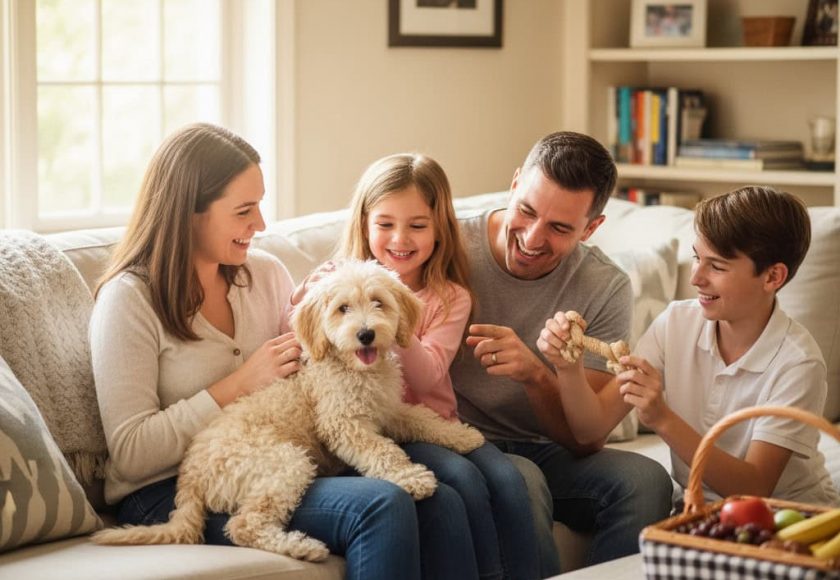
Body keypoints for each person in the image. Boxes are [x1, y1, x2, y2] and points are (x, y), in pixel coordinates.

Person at [89, 123, 478, 580]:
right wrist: (236, 385)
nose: (261, 224)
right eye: (244, 211)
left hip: (277, 450)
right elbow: (131, 451)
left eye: (261, 204)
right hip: (164, 487)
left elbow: (318, 369)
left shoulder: (265, 274)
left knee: (443, 499)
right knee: (383, 503)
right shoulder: (128, 300)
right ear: (189, 213)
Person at [294, 152, 542, 580]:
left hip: (430, 420)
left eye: (417, 225)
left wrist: (394, 313)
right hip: (377, 429)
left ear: (439, 229)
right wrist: (309, 297)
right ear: (365, 224)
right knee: (460, 481)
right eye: (385, 224)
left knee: (507, 479)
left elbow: (427, 374)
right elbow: (303, 332)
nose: (400, 239)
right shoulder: (337, 277)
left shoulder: (448, 296)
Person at [450, 131, 674, 574]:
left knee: (646, 480)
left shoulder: (604, 286)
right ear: (514, 185)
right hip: (462, 441)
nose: (532, 238)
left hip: (548, 448)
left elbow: (584, 438)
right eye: (527, 211)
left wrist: (536, 374)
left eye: (559, 228)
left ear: (592, 228)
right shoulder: (450, 245)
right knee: (523, 481)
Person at [538, 185, 840, 508]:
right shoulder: (676, 323)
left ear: (772, 277)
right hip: (697, 510)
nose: (696, 277)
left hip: (785, 517)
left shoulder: (798, 365)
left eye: (717, 266)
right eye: (697, 257)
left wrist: (662, 418)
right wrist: (568, 369)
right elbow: (590, 429)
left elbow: (754, 487)